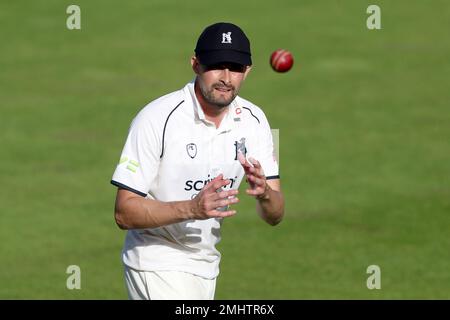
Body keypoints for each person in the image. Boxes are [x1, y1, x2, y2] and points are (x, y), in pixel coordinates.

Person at [111, 22, 285, 300]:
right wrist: (192, 208)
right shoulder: (156, 118)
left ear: (248, 71)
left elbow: (275, 215)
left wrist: (265, 194)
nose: (226, 77)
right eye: (216, 65)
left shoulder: (257, 121)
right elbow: (124, 212)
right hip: (156, 259)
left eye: (236, 68)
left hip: (206, 265)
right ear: (195, 64)